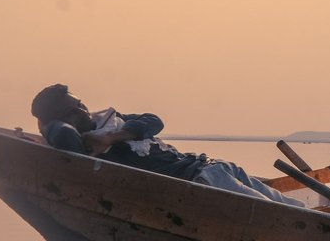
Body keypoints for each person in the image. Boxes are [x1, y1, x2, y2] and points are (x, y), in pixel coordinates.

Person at [29, 84, 299, 204]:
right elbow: (60, 135)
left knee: (294, 208)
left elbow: (154, 121)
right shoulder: (83, 143)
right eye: (74, 111)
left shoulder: (112, 123)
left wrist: (111, 137)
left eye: (81, 104)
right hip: (202, 179)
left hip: (218, 167)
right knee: (283, 216)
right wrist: (43, 129)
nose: (84, 111)